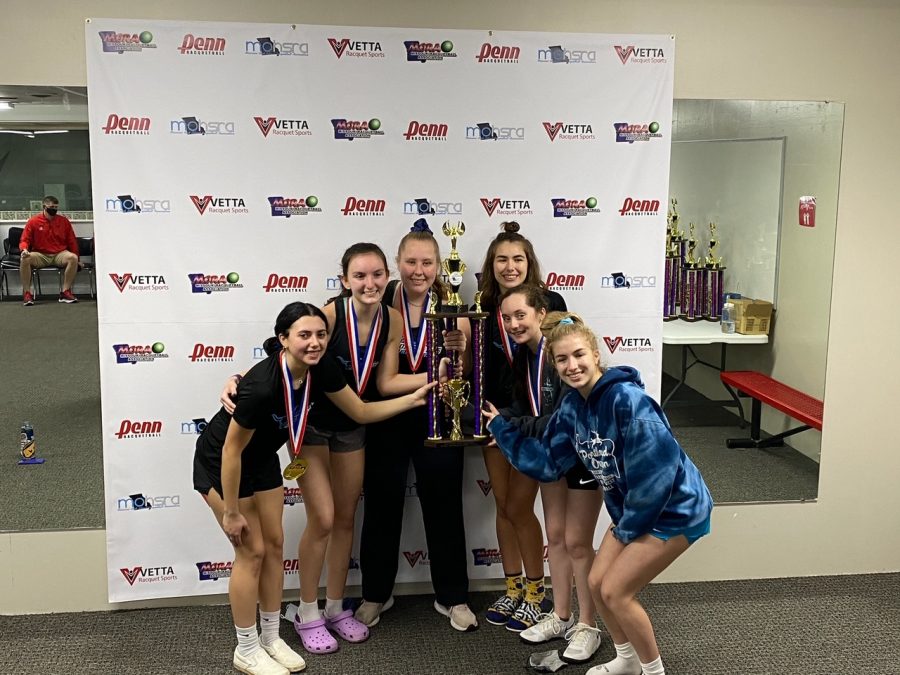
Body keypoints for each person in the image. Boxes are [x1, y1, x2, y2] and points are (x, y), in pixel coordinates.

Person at [194, 302, 435, 675]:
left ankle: (272, 638)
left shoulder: (319, 369)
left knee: (274, 547)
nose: (314, 342)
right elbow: (230, 450)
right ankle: (246, 647)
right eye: (304, 335)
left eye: (321, 334)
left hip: (261, 462)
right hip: (222, 464)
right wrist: (230, 511)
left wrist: (411, 399)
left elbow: (361, 412)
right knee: (252, 552)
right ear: (283, 340)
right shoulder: (260, 387)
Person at [484, 312, 714, 675]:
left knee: (615, 592)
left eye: (578, 355)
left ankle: (654, 671)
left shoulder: (629, 402)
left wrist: (624, 531)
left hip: (676, 509)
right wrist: (502, 429)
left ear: (595, 353)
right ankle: (626, 660)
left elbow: (658, 479)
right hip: (634, 512)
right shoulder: (573, 407)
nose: (572, 365)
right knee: (594, 582)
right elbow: (548, 463)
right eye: (562, 359)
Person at [356, 219, 477, 632]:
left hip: (441, 417)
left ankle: (453, 597)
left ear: (440, 265)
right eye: (410, 261)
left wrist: (459, 350)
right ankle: (375, 593)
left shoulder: (453, 303)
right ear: (397, 263)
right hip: (386, 415)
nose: (419, 270)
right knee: (382, 505)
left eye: (427, 262)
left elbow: (462, 371)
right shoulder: (376, 296)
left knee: (443, 504)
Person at [495, 286, 604, 664]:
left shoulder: (559, 352)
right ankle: (561, 615)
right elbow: (528, 408)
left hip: (581, 458)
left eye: (520, 315)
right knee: (555, 537)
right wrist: (503, 417)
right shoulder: (525, 357)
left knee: (577, 542)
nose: (513, 324)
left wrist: (508, 424)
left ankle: (588, 625)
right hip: (551, 458)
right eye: (506, 318)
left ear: (541, 313)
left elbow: (557, 419)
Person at [477, 221, 567, 631]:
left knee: (519, 506)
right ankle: (513, 588)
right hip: (496, 417)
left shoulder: (550, 301)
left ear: (529, 263)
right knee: (503, 506)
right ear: (491, 264)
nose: (510, 266)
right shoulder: (481, 304)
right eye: (501, 259)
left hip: (534, 424)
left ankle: (536, 592)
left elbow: (562, 364)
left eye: (518, 258)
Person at [19, 195, 81, 305]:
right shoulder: (33, 221)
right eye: (51, 206)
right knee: (25, 259)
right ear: (44, 206)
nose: (54, 209)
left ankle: (65, 292)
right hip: (40, 254)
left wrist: (78, 258)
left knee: (73, 258)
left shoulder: (63, 221)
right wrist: (24, 250)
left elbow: (72, 241)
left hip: (59, 254)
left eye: (56, 207)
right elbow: (25, 239)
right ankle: (27, 293)